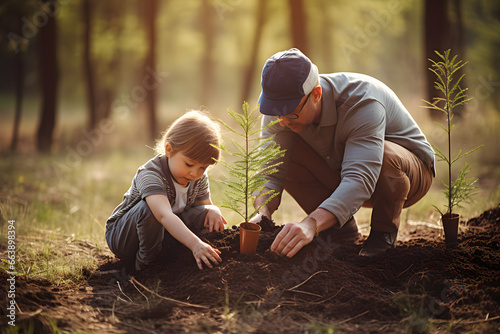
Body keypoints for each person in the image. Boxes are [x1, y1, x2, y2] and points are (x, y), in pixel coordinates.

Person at [250, 48, 435, 257]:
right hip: (340, 168)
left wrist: (311, 223)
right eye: (275, 111)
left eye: (291, 113)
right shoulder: (281, 110)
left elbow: (360, 178)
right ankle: (339, 230)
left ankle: (383, 234)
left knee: (384, 156)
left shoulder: (362, 101)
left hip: (406, 175)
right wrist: (262, 214)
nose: (282, 121)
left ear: (316, 94)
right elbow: (269, 169)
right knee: (284, 155)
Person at [106, 111, 226, 271]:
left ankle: (193, 257)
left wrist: (213, 210)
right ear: (169, 150)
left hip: (161, 235)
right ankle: (145, 267)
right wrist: (195, 244)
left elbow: (204, 209)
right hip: (125, 237)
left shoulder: (198, 178)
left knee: (208, 213)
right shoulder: (150, 175)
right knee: (149, 209)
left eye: (203, 167)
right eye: (189, 164)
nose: (195, 173)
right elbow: (163, 215)